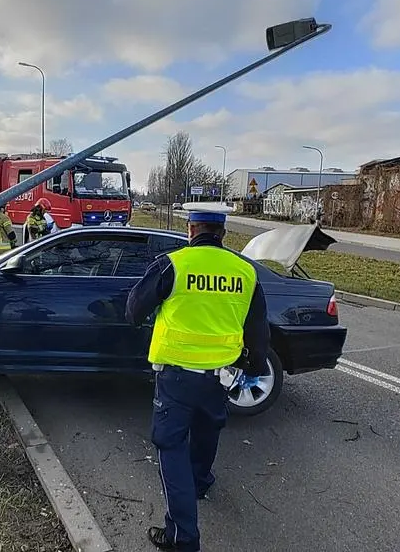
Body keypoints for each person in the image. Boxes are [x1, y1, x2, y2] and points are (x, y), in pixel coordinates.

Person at [125, 202, 269, 552]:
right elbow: (258, 330)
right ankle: (201, 483)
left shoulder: (174, 265)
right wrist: (252, 364)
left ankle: (183, 538)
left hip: (176, 378)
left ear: (191, 230)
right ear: (223, 233)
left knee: (170, 445)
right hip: (220, 377)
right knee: (207, 432)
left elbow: (133, 311)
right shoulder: (245, 272)